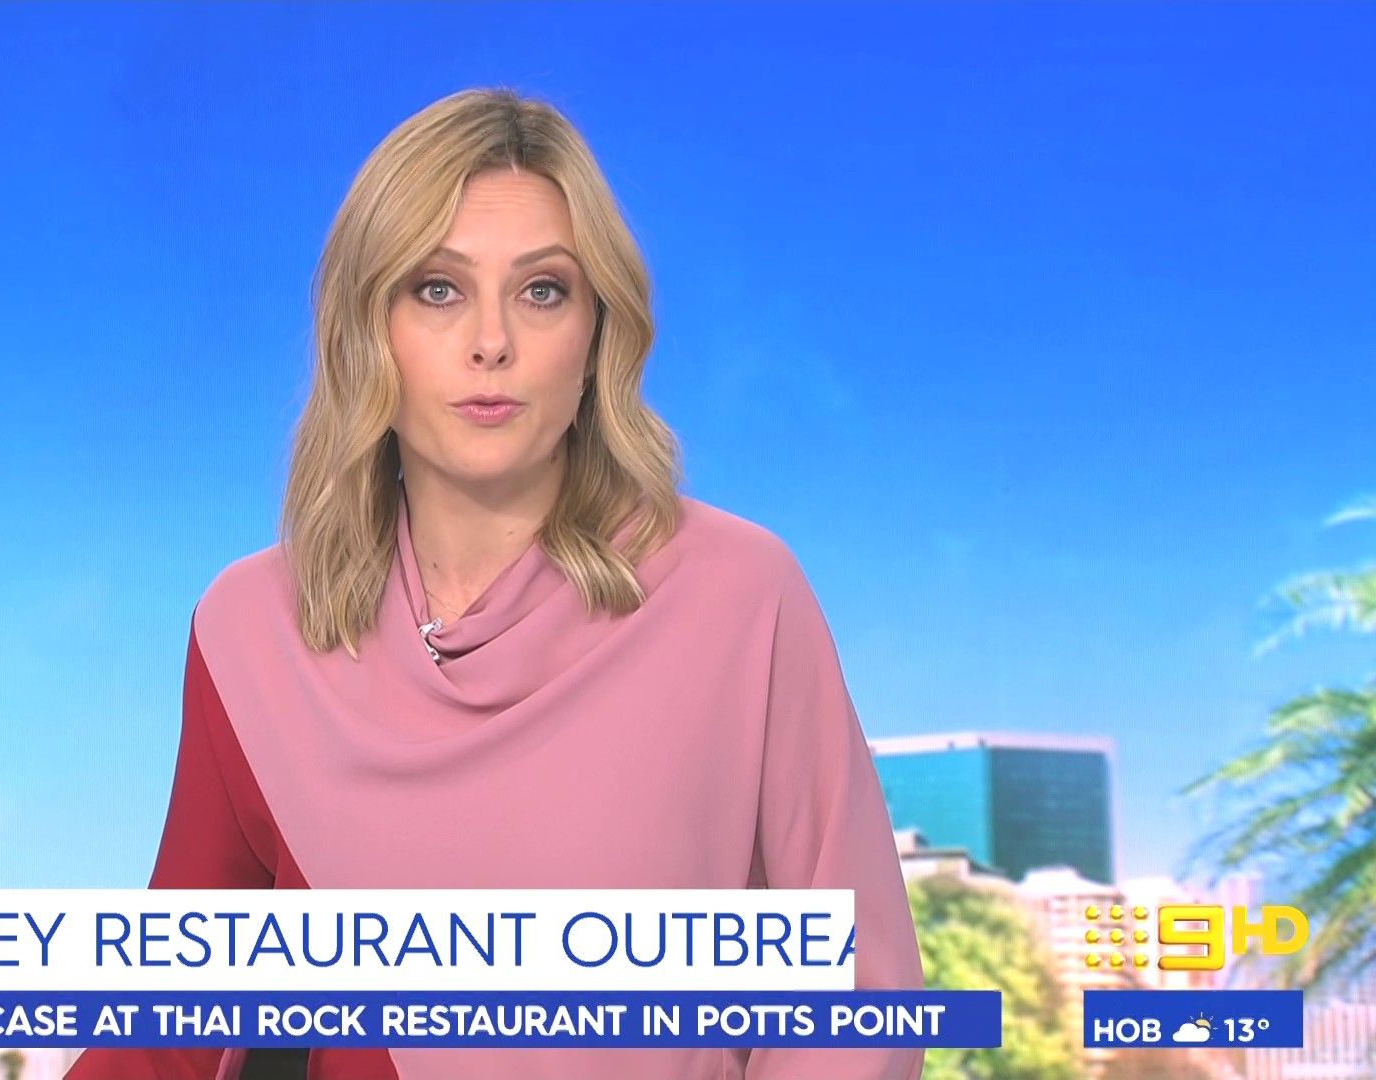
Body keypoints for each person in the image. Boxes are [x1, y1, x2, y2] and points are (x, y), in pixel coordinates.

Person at [65, 86, 924, 1080]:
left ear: (598, 334)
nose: (491, 342)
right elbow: (164, 1034)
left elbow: (859, 1005)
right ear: (367, 330)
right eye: (437, 289)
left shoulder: (740, 596)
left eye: (542, 291)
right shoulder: (251, 631)